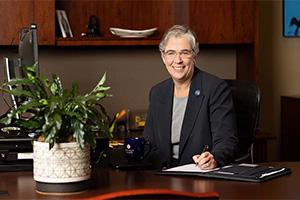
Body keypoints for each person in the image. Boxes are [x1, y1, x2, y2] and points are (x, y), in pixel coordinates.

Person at [143, 25, 238, 170]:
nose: (178, 60)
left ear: (194, 56)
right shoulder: (157, 92)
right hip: (165, 174)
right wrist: (163, 167)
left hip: (200, 173)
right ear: (163, 57)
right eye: (171, 53)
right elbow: (149, 144)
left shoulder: (215, 88)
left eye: (184, 53)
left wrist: (214, 158)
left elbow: (226, 140)